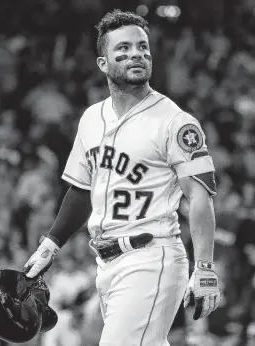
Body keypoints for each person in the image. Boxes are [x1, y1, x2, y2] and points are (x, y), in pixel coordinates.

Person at [24, 9, 221, 346]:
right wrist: (50, 244)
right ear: (103, 63)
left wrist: (204, 266)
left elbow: (199, 195)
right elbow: (82, 189)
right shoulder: (90, 118)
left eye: (143, 48)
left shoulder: (175, 121)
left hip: (151, 256)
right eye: (124, 49)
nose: (137, 55)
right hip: (106, 264)